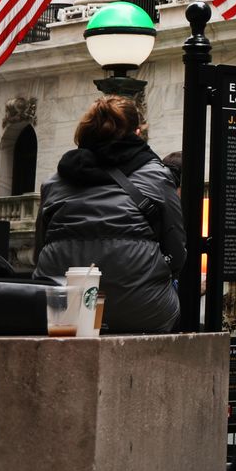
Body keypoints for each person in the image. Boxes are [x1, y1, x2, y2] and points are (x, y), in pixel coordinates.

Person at [34, 95, 186, 333]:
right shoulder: (157, 176)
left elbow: (39, 249)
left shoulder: (52, 183)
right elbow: (177, 252)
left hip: (61, 311)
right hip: (142, 309)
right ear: (136, 133)